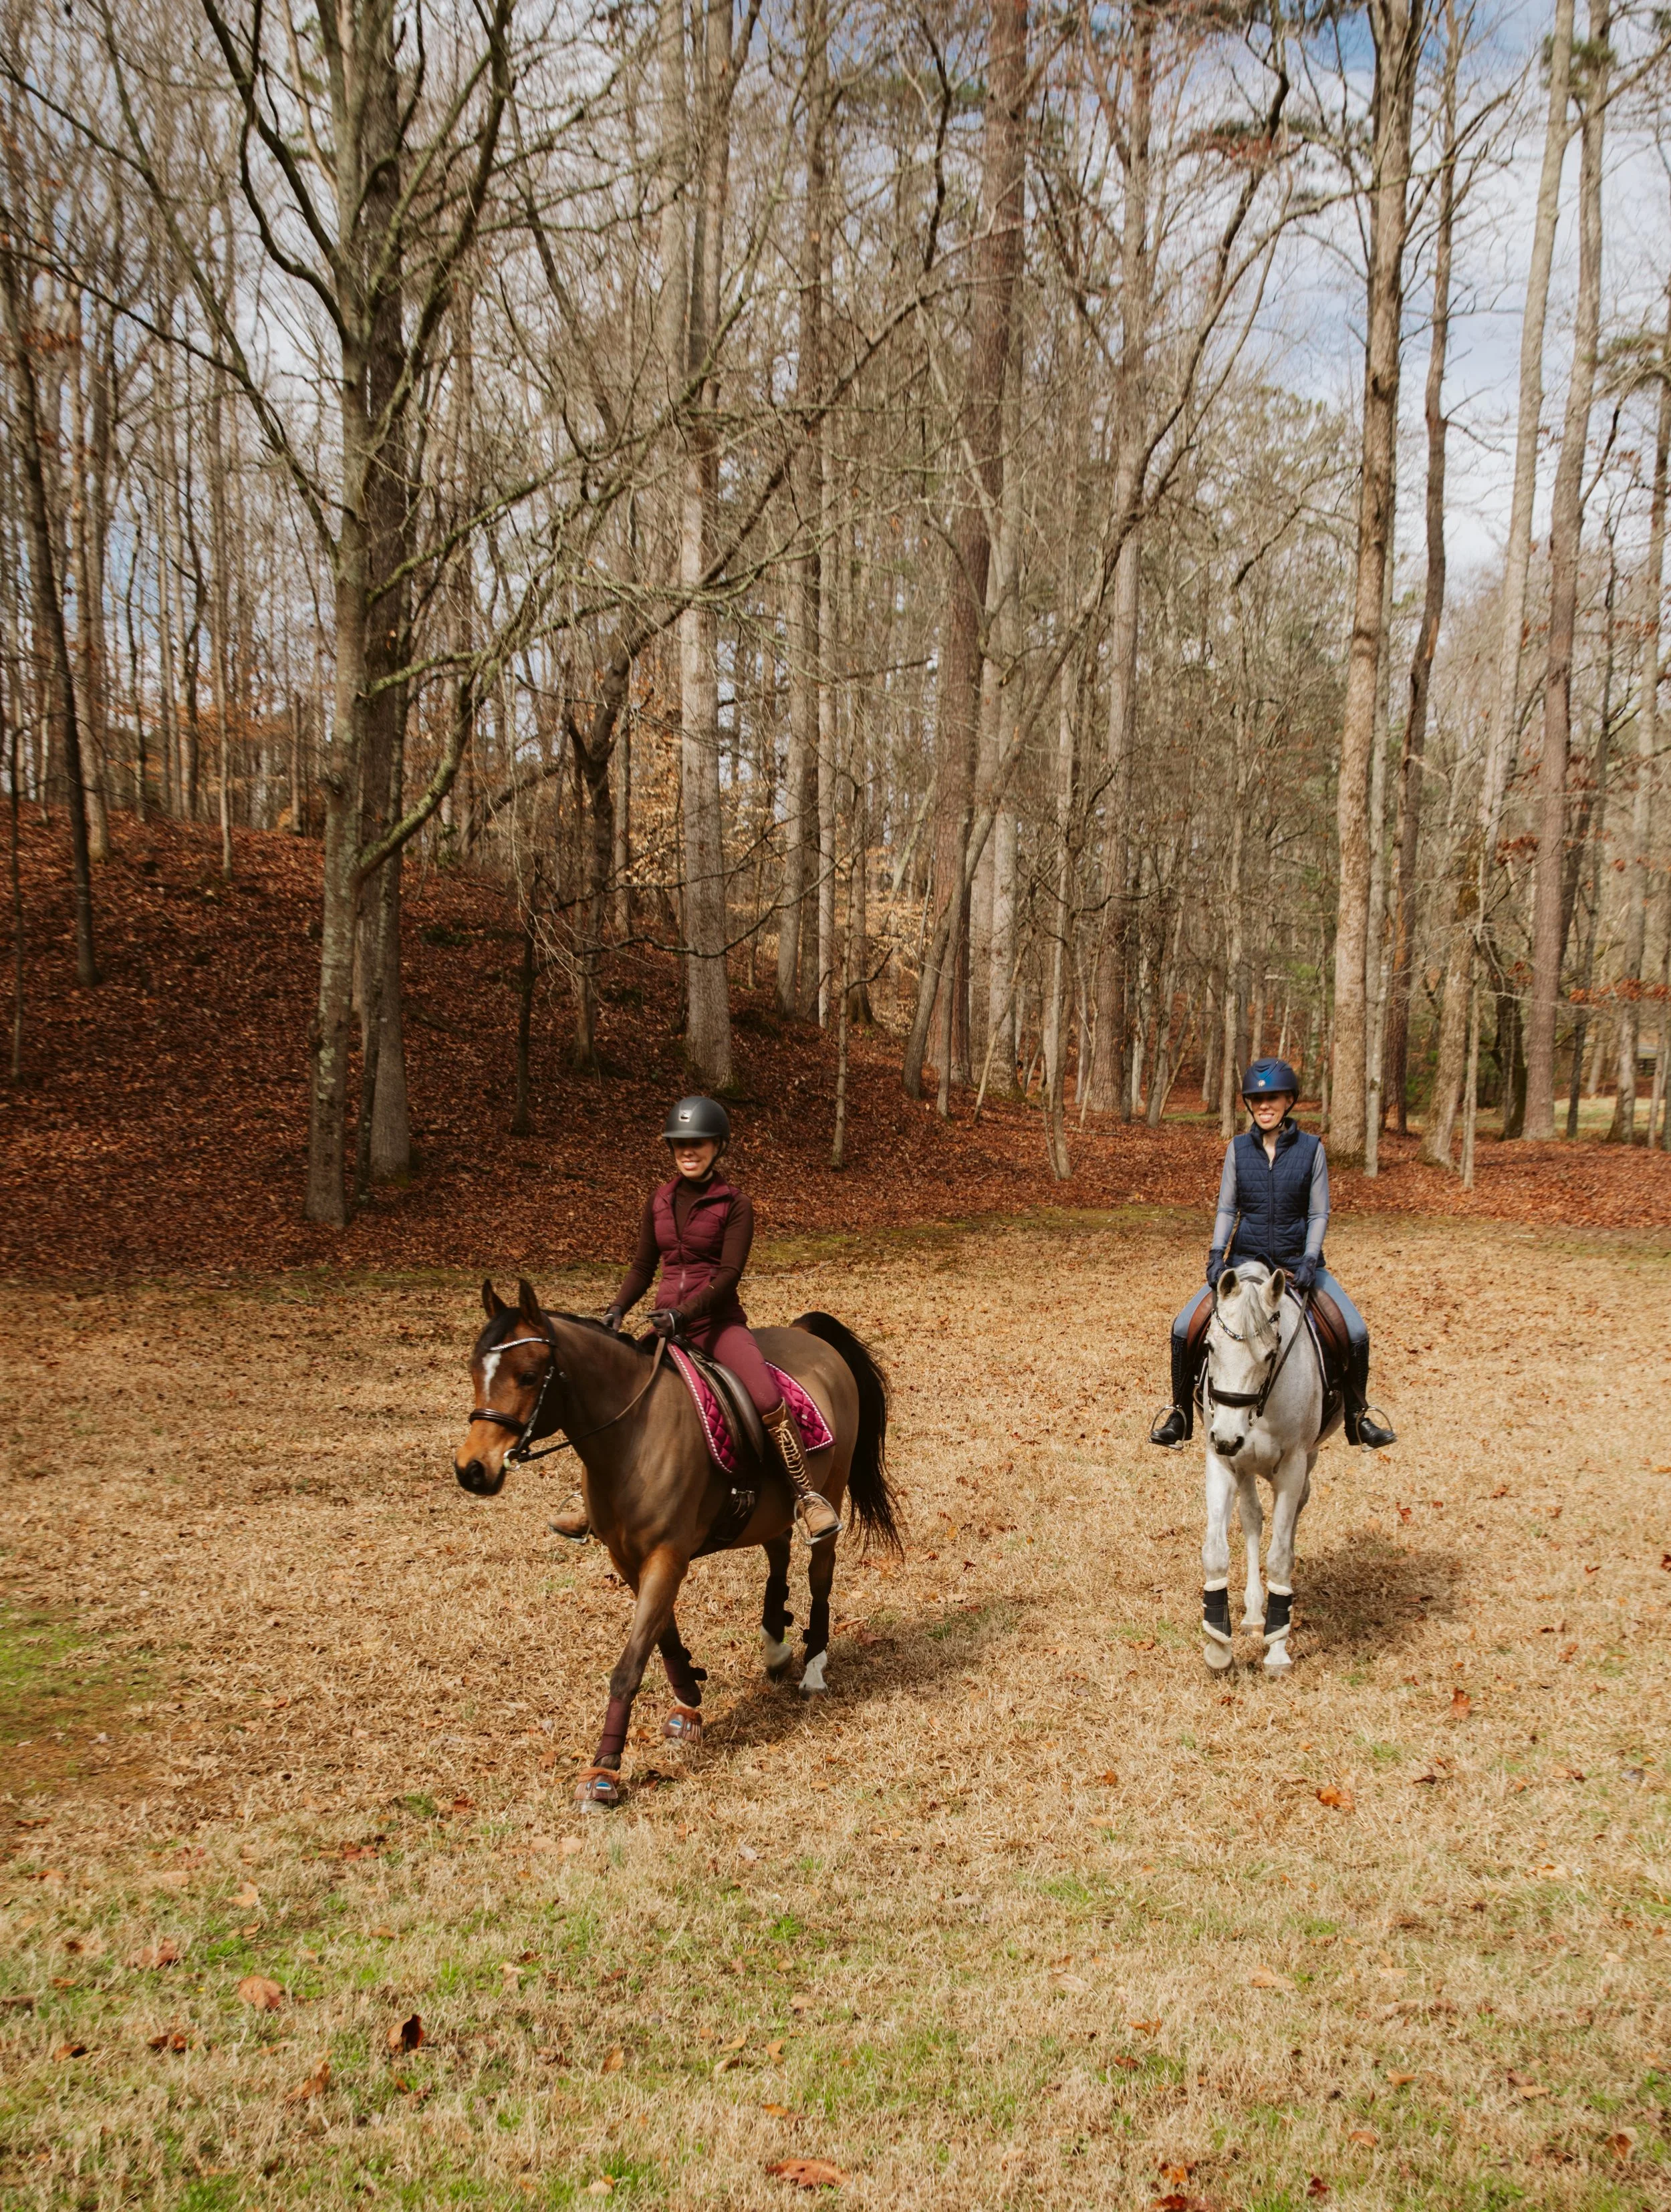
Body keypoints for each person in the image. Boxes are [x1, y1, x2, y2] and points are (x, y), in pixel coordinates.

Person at [548, 1097, 840, 1543]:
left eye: (699, 1142)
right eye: (681, 1143)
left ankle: (806, 1497)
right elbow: (643, 1267)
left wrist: (683, 1314)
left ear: (717, 1146)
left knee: (765, 1397)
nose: (689, 1150)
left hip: (718, 1325)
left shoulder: (735, 1204)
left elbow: (727, 1276)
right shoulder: (659, 1201)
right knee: (612, 1395)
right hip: (666, 1325)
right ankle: (590, 1501)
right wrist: (617, 1308)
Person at [1149, 1058, 1396, 1453]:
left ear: (1289, 1101)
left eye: (1274, 1098)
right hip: (1243, 1260)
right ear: (1249, 1104)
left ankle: (1358, 1416)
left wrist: (1310, 1259)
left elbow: (1318, 1212)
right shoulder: (1238, 1149)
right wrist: (1216, 1254)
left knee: (1355, 1330)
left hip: (1298, 1264)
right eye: (1258, 1099)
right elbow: (1227, 1209)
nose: (1265, 1106)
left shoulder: (1312, 1149)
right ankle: (1179, 1413)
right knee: (1183, 1327)